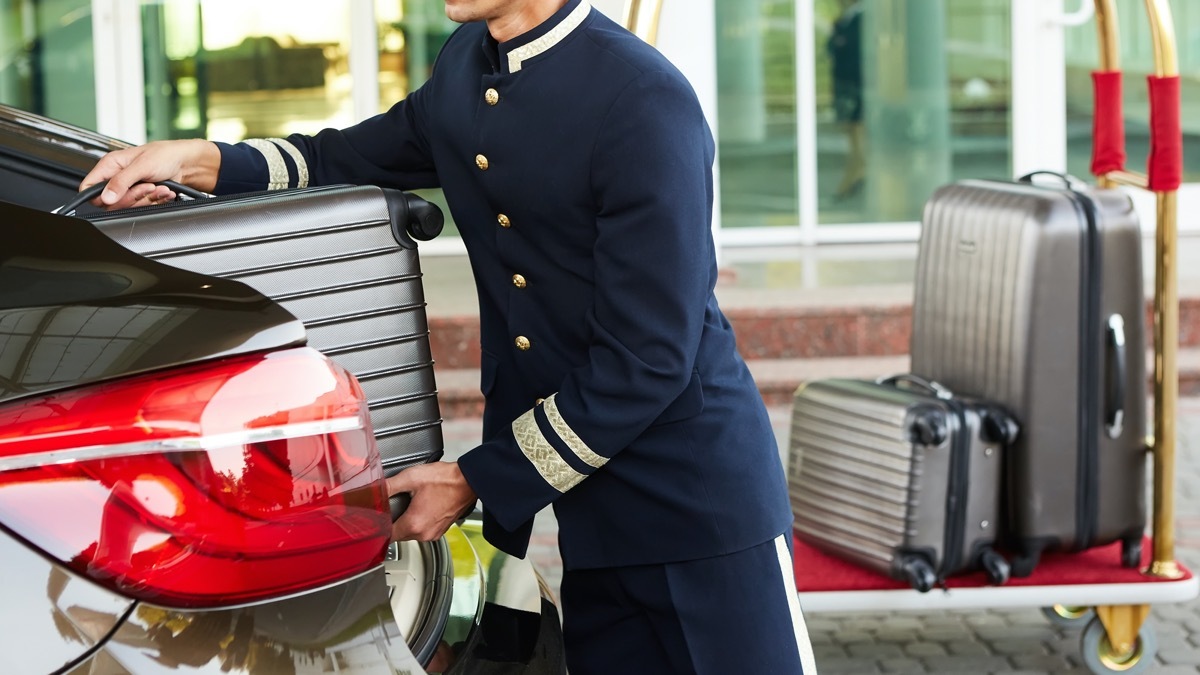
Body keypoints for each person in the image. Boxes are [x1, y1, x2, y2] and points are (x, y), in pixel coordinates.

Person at [80, 1, 818, 672]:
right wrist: (191, 160)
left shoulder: (644, 101)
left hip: (703, 513)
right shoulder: (468, 66)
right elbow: (340, 158)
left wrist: (476, 478)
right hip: (593, 517)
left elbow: (648, 361)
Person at [827, 0, 865, 201]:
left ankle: (855, 175)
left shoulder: (861, 20)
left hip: (855, 87)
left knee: (857, 135)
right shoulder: (845, 20)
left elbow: (851, 52)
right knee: (853, 136)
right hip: (847, 86)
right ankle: (855, 175)